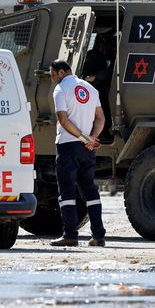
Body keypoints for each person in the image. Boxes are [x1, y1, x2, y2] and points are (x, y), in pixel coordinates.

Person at [48, 59, 107, 247]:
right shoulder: (90, 89)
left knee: (66, 191)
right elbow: (101, 118)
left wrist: (84, 138)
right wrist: (92, 138)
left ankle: (70, 235)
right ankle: (98, 236)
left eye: (52, 74)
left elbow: (63, 121)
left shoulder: (60, 89)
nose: (51, 79)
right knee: (89, 190)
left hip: (68, 145)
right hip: (87, 149)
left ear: (61, 72)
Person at [81, 34, 114, 143]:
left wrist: (95, 78)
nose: (104, 48)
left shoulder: (100, 57)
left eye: (106, 46)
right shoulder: (94, 56)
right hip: (93, 88)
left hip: (96, 87)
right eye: (102, 45)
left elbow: (110, 72)